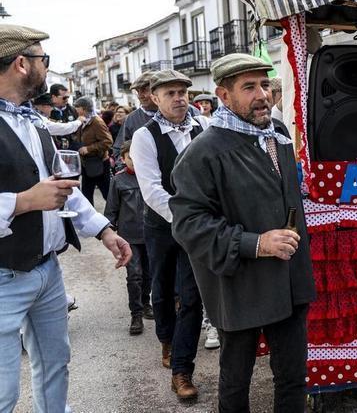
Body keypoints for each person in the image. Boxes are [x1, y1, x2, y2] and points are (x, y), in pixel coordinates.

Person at [171, 53, 315, 412]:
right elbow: (189, 225)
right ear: (224, 95)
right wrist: (257, 243)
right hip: (240, 287)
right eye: (248, 87)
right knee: (236, 384)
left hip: (289, 280)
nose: (262, 94)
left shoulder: (278, 133)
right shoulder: (202, 152)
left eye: (264, 84)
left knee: (293, 378)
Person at [0, 24, 131, 412]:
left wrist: (104, 230)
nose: (46, 67)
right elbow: (36, 196)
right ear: (22, 63)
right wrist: (23, 201)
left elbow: (63, 186)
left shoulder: (31, 120)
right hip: (4, 276)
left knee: (55, 365)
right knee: (3, 390)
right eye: (43, 59)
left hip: (48, 271)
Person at [130, 69, 209, 400]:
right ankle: (166, 337)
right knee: (161, 288)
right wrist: (184, 218)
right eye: (170, 93)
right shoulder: (144, 136)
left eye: (182, 92)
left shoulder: (204, 127)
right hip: (162, 225)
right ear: (155, 98)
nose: (179, 98)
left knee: (192, 295)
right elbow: (151, 189)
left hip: (197, 226)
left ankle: (181, 370)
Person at [105, 139, 153, 335]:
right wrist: (109, 230)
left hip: (150, 234)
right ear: (123, 159)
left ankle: (145, 302)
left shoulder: (151, 177)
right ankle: (136, 314)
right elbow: (111, 209)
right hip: (129, 237)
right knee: (134, 275)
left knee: (149, 274)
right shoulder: (118, 180)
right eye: (129, 157)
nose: (134, 160)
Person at [73, 97, 113, 205]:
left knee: (107, 194)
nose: (76, 109)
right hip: (88, 164)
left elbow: (108, 141)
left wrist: (88, 148)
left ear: (84, 108)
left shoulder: (96, 122)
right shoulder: (83, 120)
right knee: (86, 195)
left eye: (77, 107)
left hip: (99, 164)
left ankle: (117, 214)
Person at [112, 71, 158, 160]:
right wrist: (128, 165)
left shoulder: (177, 113)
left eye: (144, 90)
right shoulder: (131, 119)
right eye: (137, 91)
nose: (140, 96)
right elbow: (118, 150)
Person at [48, 83, 77, 149]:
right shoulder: (46, 112)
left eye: (68, 97)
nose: (67, 99)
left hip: (71, 149)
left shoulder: (72, 110)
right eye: (64, 98)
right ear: (54, 97)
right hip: (53, 148)